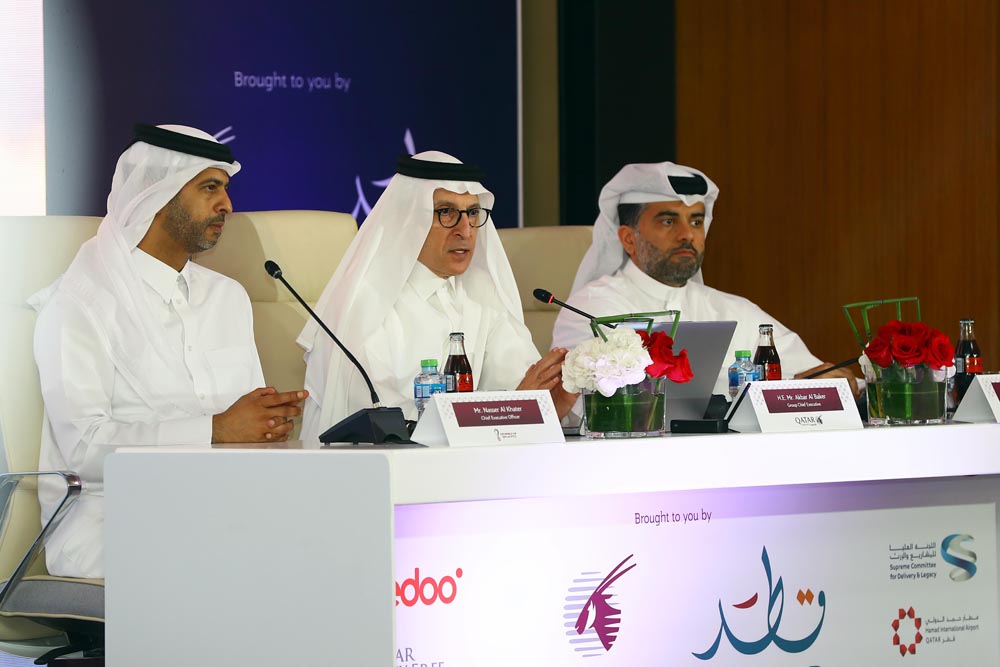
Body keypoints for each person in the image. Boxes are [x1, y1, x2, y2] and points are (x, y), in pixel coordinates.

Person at [32, 124, 307, 578]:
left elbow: (245, 428)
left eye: (226, 189)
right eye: (210, 188)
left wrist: (267, 423)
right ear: (157, 195)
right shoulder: (80, 303)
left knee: (325, 538)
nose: (227, 205)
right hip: (112, 523)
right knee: (246, 564)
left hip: (222, 509)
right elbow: (82, 450)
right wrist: (215, 429)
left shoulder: (228, 298)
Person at [297, 151, 575, 441]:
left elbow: (520, 385)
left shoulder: (482, 294)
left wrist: (551, 402)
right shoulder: (366, 303)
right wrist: (512, 408)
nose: (464, 230)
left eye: (472, 213)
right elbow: (380, 418)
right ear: (409, 220)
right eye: (446, 212)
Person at [551, 161, 858, 397]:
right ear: (628, 239)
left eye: (696, 221)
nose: (688, 235)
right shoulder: (594, 308)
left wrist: (837, 381)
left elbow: (814, 375)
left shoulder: (734, 311)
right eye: (669, 221)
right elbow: (585, 403)